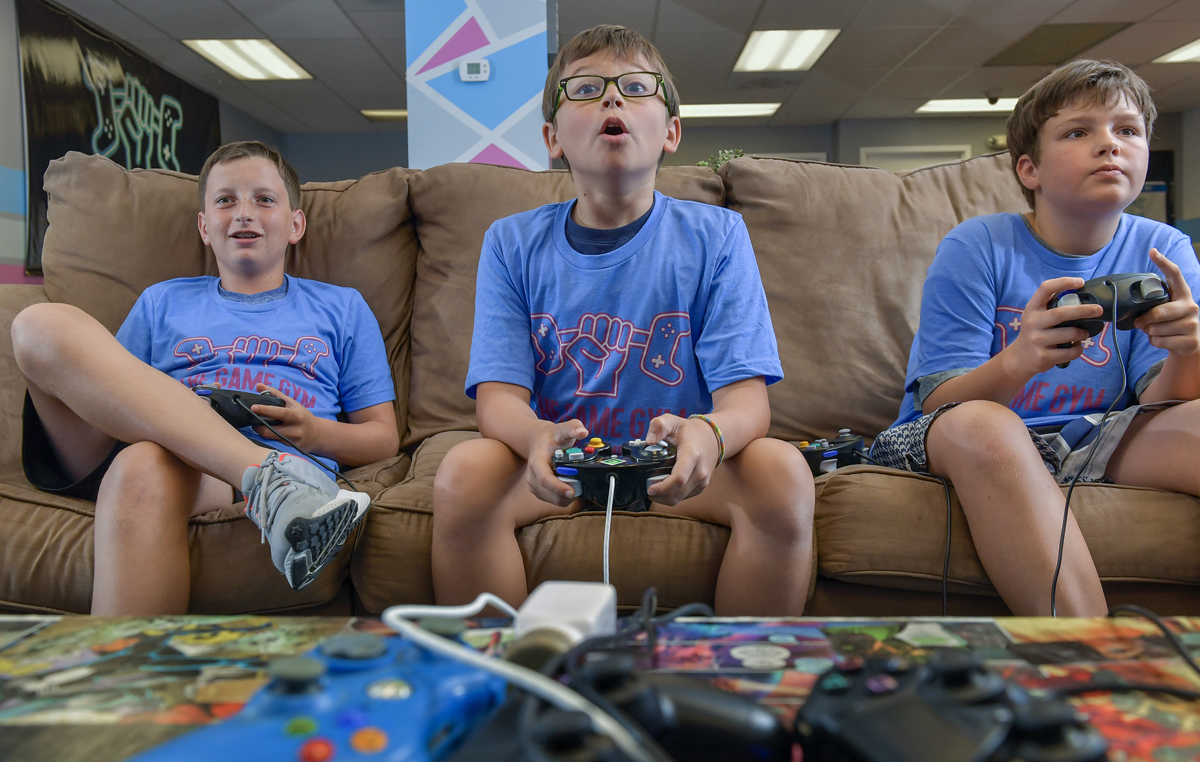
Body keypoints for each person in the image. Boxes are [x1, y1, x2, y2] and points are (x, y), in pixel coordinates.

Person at [431, 25, 814, 616]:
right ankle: (502, 685)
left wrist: (710, 433)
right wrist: (533, 435)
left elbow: (747, 402)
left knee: (783, 472)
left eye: (636, 87)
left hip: (676, 466)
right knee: (462, 472)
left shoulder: (717, 237)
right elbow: (499, 398)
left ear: (671, 132)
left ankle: (739, 677)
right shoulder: (511, 243)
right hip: (559, 468)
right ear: (553, 137)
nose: (613, 99)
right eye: (585, 89)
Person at [869, 60, 1200, 616]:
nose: (1109, 146)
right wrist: (1020, 359)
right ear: (1030, 170)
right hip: (951, 432)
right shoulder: (979, 243)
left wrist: (1189, 348)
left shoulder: (1163, 246)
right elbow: (940, 402)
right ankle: (1089, 657)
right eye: (1078, 131)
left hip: (1092, 436)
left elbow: (1163, 402)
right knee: (987, 423)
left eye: (1127, 130)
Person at [11, 141, 399, 615]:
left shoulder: (341, 308)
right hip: (135, 440)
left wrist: (315, 432)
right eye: (225, 200)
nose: (243, 213)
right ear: (204, 227)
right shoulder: (162, 302)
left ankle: (128, 678)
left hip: (213, 467)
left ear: (296, 224)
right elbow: (113, 393)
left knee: (144, 465)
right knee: (36, 325)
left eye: (264, 199)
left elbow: (383, 438)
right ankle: (270, 484)